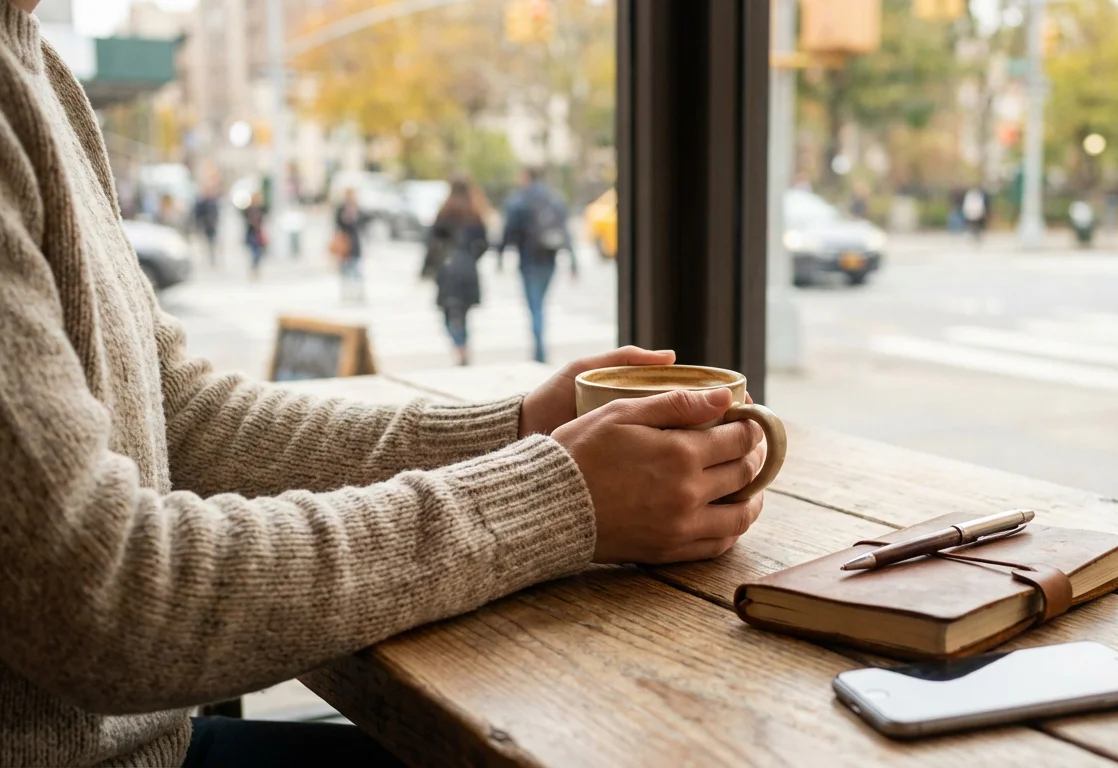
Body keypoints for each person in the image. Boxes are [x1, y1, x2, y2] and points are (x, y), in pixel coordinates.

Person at [0, 3, 766, 765]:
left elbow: (182, 417)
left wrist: (522, 430)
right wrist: (555, 499)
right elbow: (99, 599)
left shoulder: (38, 66)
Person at [500, 167, 577, 363]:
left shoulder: (520, 199)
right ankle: (540, 348)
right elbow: (566, 232)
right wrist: (574, 264)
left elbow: (509, 230)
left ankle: (539, 351)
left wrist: (501, 255)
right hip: (550, 260)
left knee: (535, 307)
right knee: (540, 305)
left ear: (526, 177)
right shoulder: (555, 198)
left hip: (529, 260)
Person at [431, 177, 490, 366]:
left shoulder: (444, 213)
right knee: (463, 315)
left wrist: (429, 268)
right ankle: (463, 345)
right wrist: (471, 257)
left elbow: (432, 243)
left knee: (448, 314)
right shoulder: (475, 213)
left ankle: (459, 346)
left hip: (448, 269)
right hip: (468, 269)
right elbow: (485, 243)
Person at [335, 187, 364, 302]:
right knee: (345, 271)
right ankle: (346, 293)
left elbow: (362, 223)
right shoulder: (341, 209)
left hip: (355, 244)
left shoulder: (357, 209)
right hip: (344, 244)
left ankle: (358, 293)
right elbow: (337, 224)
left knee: (357, 270)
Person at [193, 184, 220, 267]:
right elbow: (197, 213)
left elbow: (216, 213)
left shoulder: (213, 202)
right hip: (204, 225)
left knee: (212, 243)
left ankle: (212, 259)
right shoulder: (202, 202)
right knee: (204, 243)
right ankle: (205, 259)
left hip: (212, 225)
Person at [243, 190, 267, 281]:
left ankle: (254, 267)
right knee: (254, 253)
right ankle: (253, 268)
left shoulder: (261, 208)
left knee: (259, 253)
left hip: (259, 234)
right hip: (251, 234)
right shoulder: (248, 209)